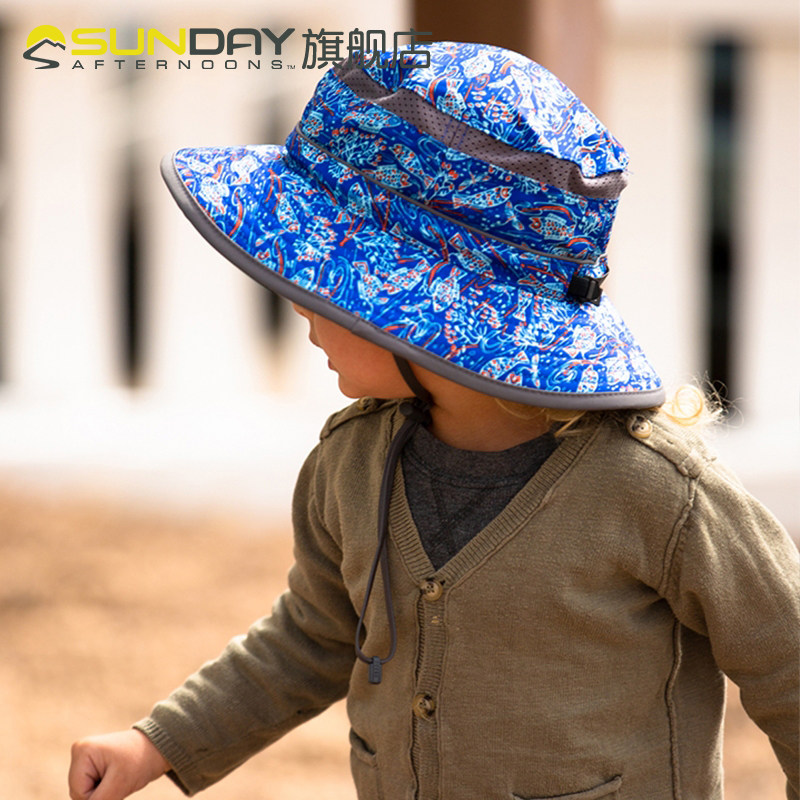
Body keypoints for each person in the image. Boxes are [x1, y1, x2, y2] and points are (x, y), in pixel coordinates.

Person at [68, 41, 799, 800]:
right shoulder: (350, 463)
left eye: (324, 282)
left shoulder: (658, 492)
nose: (299, 306)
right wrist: (159, 742)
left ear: (413, 310)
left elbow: (788, 662)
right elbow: (313, 634)